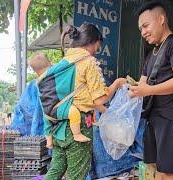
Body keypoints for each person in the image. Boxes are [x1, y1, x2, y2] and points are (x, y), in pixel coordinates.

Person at [43, 23, 127, 180]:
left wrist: (105, 112)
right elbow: (100, 98)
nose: (96, 51)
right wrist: (117, 83)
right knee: (77, 175)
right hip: (78, 127)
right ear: (93, 42)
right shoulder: (88, 62)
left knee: (56, 169)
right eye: (97, 47)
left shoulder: (64, 62)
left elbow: (82, 96)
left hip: (59, 125)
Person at [130, 1, 173, 179]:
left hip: (171, 117)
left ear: (161, 19)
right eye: (140, 29)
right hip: (153, 117)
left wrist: (148, 90)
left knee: (169, 172)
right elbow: (142, 84)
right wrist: (126, 87)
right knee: (153, 167)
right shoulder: (151, 55)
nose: (143, 32)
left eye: (146, 25)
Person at [28, 52, 106, 149]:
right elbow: (64, 65)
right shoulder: (52, 72)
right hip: (57, 109)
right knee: (74, 112)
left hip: (47, 112)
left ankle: (49, 142)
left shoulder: (38, 82)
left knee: (47, 124)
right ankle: (77, 134)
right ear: (50, 64)